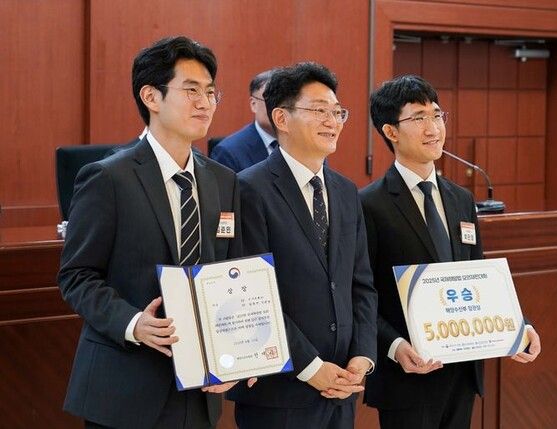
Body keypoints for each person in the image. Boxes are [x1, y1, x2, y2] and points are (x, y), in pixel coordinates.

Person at [58, 36, 250, 429]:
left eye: (211, 92)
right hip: (125, 386)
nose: (205, 103)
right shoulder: (107, 177)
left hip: (200, 388)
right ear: (151, 97)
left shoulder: (223, 180)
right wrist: (133, 323)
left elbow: (230, 274)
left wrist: (239, 354)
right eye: (191, 90)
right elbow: (76, 276)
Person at [360, 74, 541, 429]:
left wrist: (519, 328)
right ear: (391, 131)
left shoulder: (461, 199)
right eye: (419, 118)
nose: (433, 128)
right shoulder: (368, 204)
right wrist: (394, 346)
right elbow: (362, 293)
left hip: (461, 372)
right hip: (407, 376)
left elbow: (478, 277)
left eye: (437, 115)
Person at [227, 62, 378, 429]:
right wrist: (311, 367)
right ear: (281, 117)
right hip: (280, 393)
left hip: (342, 386)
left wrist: (362, 357)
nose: (332, 121)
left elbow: (361, 285)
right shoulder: (248, 189)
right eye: (319, 110)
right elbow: (252, 298)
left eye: (337, 112)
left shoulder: (346, 191)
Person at [210, 70, 277, 172]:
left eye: (284, 101)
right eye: (271, 101)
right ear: (253, 104)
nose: (278, 109)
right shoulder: (228, 152)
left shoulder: (299, 143)